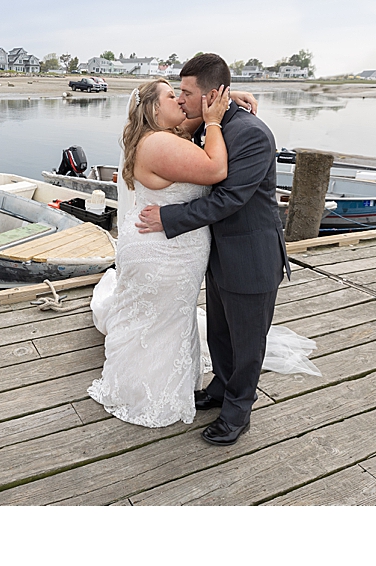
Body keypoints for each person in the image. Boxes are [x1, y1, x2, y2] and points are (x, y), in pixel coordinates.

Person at [136, 53, 291, 446]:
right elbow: (174, 119)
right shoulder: (214, 122)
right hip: (220, 254)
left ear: (209, 95)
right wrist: (223, 102)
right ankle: (221, 388)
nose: (182, 100)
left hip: (252, 256)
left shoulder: (252, 135)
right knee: (220, 333)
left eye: (186, 92)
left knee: (248, 341)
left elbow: (228, 200)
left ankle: (238, 413)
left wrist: (168, 218)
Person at [88, 76, 239, 428]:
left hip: (167, 246)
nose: (181, 102)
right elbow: (216, 169)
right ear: (156, 108)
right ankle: (147, 395)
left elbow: (194, 115)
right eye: (173, 96)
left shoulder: (164, 133)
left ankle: (148, 385)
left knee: (161, 320)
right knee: (161, 322)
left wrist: (227, 98)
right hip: (164, 252)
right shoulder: (159, 143)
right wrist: (215, 122)